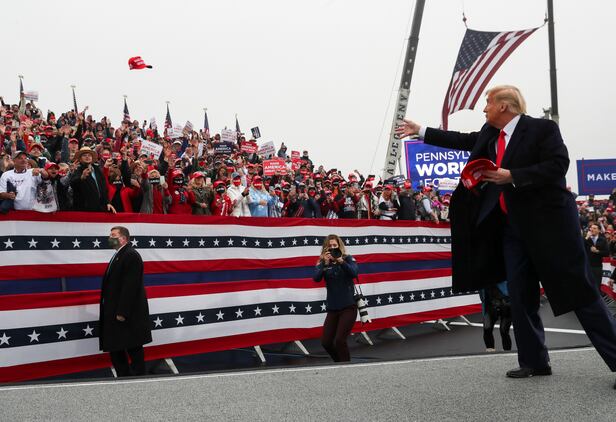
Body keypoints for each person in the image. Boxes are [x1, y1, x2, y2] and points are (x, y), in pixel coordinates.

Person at [396, 84, 616, 387]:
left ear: (504, 106)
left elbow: (557, 166)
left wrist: (512, 175)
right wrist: (421, 131)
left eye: (488, 102)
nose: (484, 108)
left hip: (550, 228)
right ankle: (534, 361)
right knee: (520, 296)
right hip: (512, 230)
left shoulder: (542, 129)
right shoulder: (490, 134)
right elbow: (463, 140)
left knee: (581, 294)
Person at [99, 226, 152, 377]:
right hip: (114, 311)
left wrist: (122, 312)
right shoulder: (119, 255)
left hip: (125, 313)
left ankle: (139, 378)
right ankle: (123, 377)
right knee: (116, 346)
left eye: (113, 235)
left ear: (123, 238)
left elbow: (131, 286)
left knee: (133, 346)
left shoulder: (130, 255)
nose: (110, 238)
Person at [313, 234, 359, 362]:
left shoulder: (347, 258)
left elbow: (354, 273)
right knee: (326, 342)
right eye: (330, 246)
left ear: (339, 246)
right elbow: (316, 278)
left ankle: (346, 367)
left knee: (340, 340)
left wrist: (340, 261)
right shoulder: (323, 262)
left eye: (335, 245)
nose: (333, 248)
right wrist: (325, 264)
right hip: (333, 308)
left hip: (348, 307)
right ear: (326, 248)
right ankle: (339, 363)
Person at [584, 223, 610, 289]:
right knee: (587, 285)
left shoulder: (603, 240)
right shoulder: (586, 239)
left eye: (594, 228)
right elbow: (580, 248)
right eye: (591, 228)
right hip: (587, 265)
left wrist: (597, 251)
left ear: (599, 230)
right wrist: (586, 237)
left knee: (597, 284)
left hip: (598, 266)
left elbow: (607, 253)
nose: (592, 229)